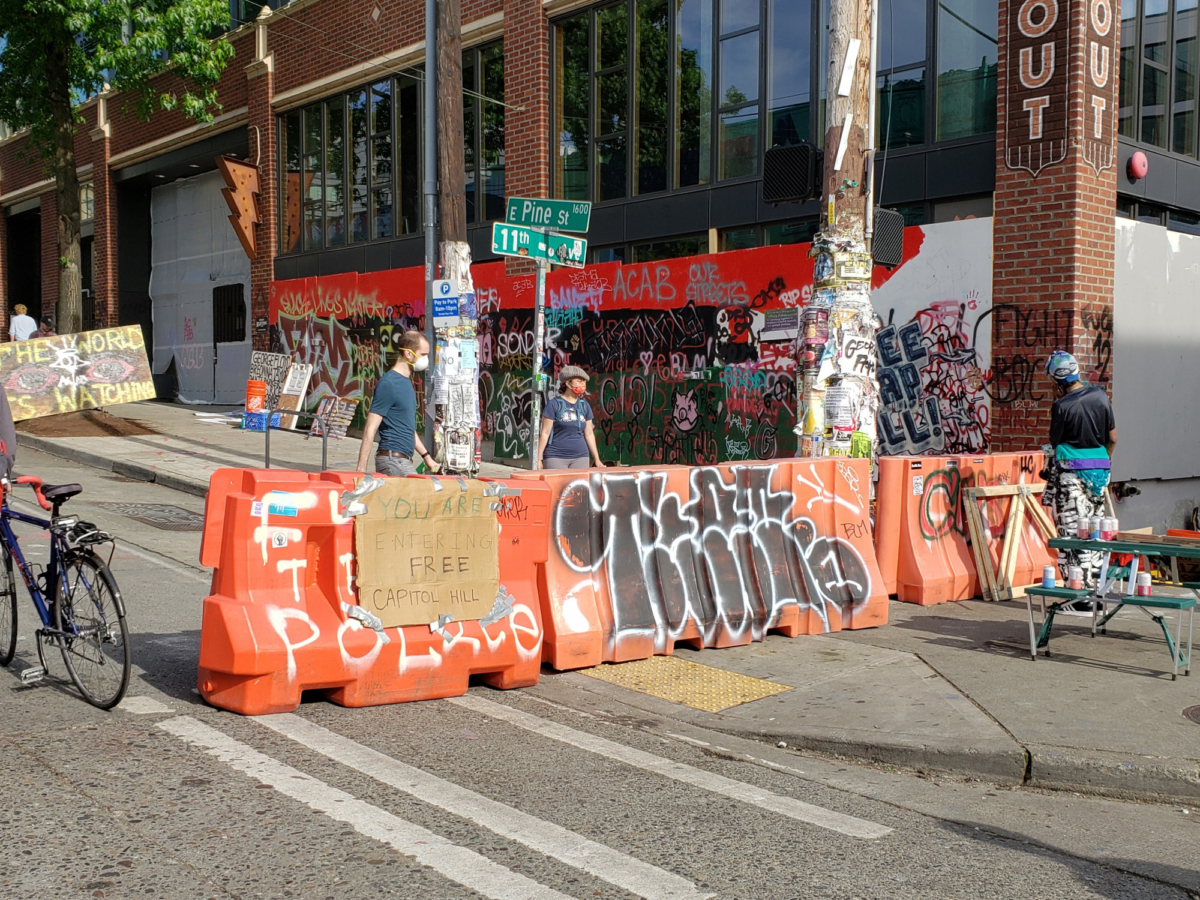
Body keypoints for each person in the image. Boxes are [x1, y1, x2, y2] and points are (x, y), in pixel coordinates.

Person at [1040, 350, 1117, 613]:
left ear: (1056, 380)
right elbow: (1113, 438)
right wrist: (1101, 463)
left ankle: (1079, 598)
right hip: (1099, 473)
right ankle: (1094, 593)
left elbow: (1055, 444)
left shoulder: (1061, 406)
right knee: (1093, 533)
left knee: (1071, 535)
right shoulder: (1100, 396)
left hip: (1070, 476)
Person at [355, 330, 439, 477]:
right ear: (408, 354)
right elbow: (370, 428)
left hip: (402, 460)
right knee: (417, 496)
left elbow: (407, 427)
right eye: (423, 355)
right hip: (393, 460)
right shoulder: (389, 384)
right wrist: (361, 471)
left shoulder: (406, 382)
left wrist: (427, 458)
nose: (426, 360)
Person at [537, 366, 603, 469]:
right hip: (555, 457)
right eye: (579, 381)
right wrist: (538, 459)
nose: (582, 384)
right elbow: (545, 433)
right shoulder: (554, 404)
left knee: (580, 485)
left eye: (584, 382)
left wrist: (597, 460)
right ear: (568, 383)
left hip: (581, 457)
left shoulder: (584, 405)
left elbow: (589, 434)